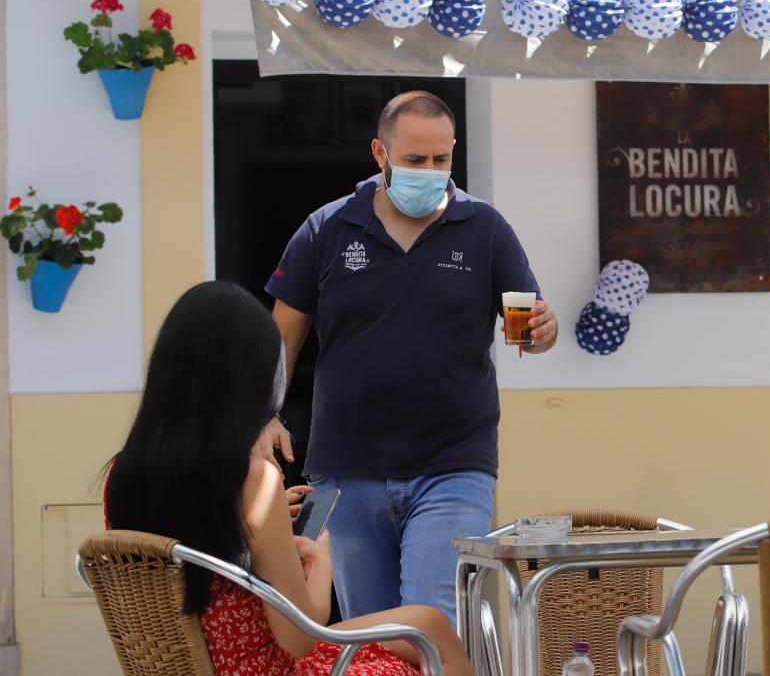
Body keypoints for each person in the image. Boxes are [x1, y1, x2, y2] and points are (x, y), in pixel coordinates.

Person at [257, 90, 558, 622]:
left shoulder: (485, 229)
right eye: (415, 159)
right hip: (346, 470)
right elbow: (282, 337)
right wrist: (265, 413)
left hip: (454, 467)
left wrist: (542, 331)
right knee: (370, 636)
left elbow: (531, 331)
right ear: (381, 153)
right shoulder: (327, 229)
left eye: (441, 158)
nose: (430, 171)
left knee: (432, 623)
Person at [104, 281, 472, 676]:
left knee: (428, 623)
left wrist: (266, 523)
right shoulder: (252, 480)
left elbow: (205, 561)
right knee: (432, 635)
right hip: (266, 666)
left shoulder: (121, 474)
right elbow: (299, 638)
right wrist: (321, 558)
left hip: (201, 662)